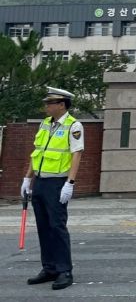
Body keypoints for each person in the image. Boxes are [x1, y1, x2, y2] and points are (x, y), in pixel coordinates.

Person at [21, 87, 83, 290]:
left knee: (57, 226)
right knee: (43, 226)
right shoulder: (45, 124)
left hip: (57, 183)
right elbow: (37, 152)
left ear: (62, 105)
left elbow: (76, 154)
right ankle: (49, 268)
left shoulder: (73, 125)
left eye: (50, 103)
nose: (46, 107)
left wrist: (70, 183)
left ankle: (64, 271)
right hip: (40, 181)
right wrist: (27, 178)